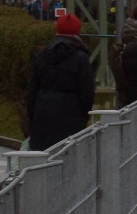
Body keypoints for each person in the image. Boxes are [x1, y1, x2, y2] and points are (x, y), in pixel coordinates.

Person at [25, 12, 95, 151]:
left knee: (43, 162)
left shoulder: (42, 56)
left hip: (42, 116)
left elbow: (32, 91)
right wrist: (83, 116)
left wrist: (34, 115)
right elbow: (87, 93)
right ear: (78, 32)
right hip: (71, 119)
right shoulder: (81, 59)